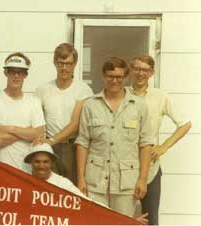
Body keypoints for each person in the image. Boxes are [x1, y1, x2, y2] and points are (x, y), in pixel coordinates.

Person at [0, 143, 148, 224]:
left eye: (45, 161)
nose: (41, 166)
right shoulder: (20, 181)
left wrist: (127, 219)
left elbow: (88, 205)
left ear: (52, 163)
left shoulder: (62, 183)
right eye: (37, 161)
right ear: (31, 163)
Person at [75, 57, 154, 217]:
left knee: (123, 223)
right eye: (110, 76)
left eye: (119, 77)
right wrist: (81, 179)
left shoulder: (138, 106)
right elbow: (83, 143)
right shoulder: (91, 105)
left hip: (126, 182)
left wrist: (142, 179)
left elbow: (145, 145)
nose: (114, 81)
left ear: (126, 78)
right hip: (95, 182)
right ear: (103, 77)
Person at [129, 54, 191, 225]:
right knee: (124, 217)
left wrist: (163, 147)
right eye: (137, 68)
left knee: (150, 219)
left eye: (145, 70)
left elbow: (185, 124)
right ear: (131, 70)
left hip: (151, 169)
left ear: (152, 73)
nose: (140, 73)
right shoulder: (123, 94)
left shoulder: (160, 96)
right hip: (125, 167)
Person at [35, 43, 93, 184]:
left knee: (71, 192)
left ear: (74, 64)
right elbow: (37, 121)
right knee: (48, 191)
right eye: (60, 63)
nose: (64, 68)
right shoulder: (42, 89)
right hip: (49, 148)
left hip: (72, 149)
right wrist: (43, 143)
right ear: (55, 63)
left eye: (68, 64)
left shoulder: (83, 90)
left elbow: (75, 123)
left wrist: (52, 140)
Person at [0, 52, 45, 172]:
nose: (16, 76)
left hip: (28, 171)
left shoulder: (34, 102)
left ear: (25, 75)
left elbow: (40, 134)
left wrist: (11, 129)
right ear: (6, 73)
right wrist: (27, 132)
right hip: (1, 171)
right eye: (12, 71)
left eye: (20, 72)